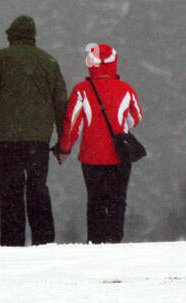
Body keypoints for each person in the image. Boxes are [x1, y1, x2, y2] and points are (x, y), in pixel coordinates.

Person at [0, 15, 67, 246]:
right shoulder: (49, 62)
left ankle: (12, 243)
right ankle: (44, 241)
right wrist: (64, 141)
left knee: (11, 191)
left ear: (11, 35)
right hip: (39, 139)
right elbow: (61, 102)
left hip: (10, 139)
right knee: (38, 188)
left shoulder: (0, 59)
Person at [58, 43, 144, 243]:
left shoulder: (82, 90)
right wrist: (122, 126)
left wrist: (65, 148)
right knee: (118, 200)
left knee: (95, 201)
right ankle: (115, 241)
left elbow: (72, 124)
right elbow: (136, 117)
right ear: (114, 62)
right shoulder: (126, 89)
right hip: (120, 156)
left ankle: (96, 242)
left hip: (91, 156)